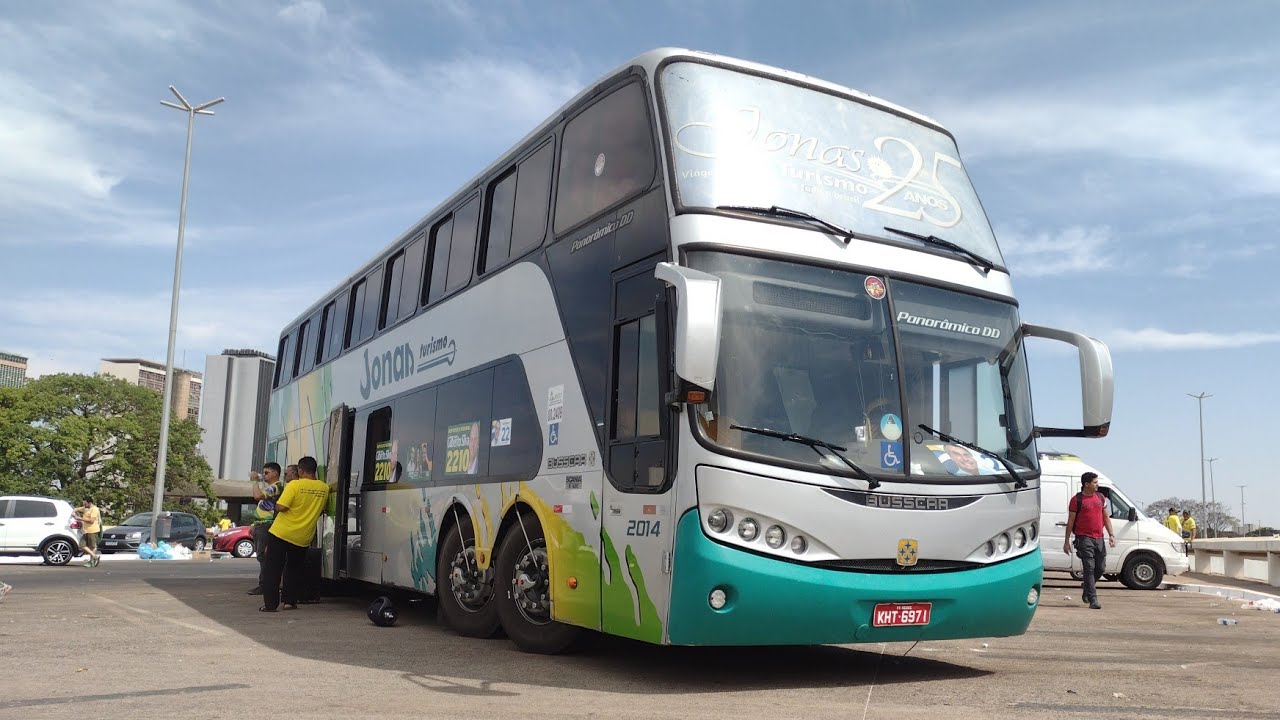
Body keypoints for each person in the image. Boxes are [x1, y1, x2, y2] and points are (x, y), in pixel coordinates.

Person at [259, 456, 329, 612]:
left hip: (281, 533)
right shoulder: (324, 488)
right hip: (302, 536)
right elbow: (322, 510)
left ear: (300, 470)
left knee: (273, 569)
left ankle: (270, 605)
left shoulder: (294, 485)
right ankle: (289, 602)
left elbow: (281, 507)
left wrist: (278, 504)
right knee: (294, 569)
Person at [1063, 472, 1116, 609]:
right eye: (1095, 482)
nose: (1097, 485)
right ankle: (1093, 600)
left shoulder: (1101, 497)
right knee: (1089, 568)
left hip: (1099, 538)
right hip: (1084, 538)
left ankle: (1087, 586)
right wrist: (1066, 541)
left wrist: (1111, 535)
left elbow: (1106, 517)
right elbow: (1070, 521)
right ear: (1086, 484)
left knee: (1101, 568)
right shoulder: (1077, 500)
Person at [247, 463, 293, 595]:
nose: (264, 475)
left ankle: (265, 585)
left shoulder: (276, 487)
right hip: (261, 524)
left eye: (266, 473)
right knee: (262, 556)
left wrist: (255, 481)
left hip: (266, 525)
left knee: (264, 556)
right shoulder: (271, 487)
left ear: (275, 473)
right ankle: (267, 584)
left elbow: (257, 496)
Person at [73, 498, 102, 568]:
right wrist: (73, 512)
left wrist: (79, 518)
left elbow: (91, 520)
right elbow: (76, 509)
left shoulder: (94, 509)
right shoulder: (85, 509)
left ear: (90, 503)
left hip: (93, 530)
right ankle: (95, 557)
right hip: (86, 531)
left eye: (85, 504)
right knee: (81, 545)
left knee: (92, 547)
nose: (84, 505)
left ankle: (92, 561)